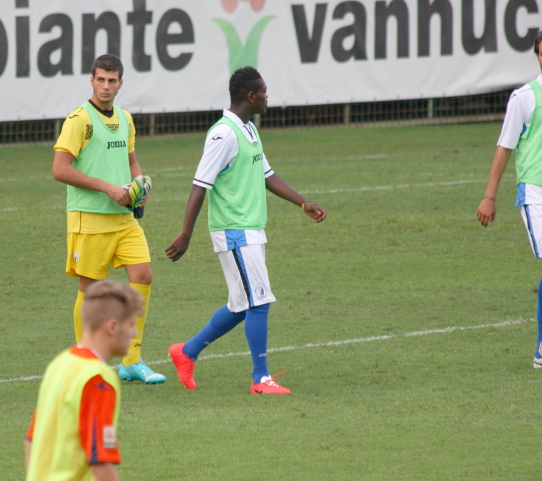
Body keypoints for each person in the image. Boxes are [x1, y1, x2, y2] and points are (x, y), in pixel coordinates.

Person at [165, 66, 327, 394]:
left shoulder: (249, 129)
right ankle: (260, 378)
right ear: (250, 96)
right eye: (264, 92)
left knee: (242, 305)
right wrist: (185, 234)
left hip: (252, 230)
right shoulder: (223, 134)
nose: (268, 97)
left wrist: (302, 203)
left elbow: (267, 175)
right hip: (234, 232)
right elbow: (199, 185)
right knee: (259, 302)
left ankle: (187, 352)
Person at [52, 54, 165, 384]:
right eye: (100, 79)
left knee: (143, 275)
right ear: (91, 81)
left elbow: (131, 162)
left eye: (111, 80)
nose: (105, 86)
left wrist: (139, 187)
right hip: (89, 219)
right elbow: (59, 170)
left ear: (120, 83)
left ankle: (132, 361)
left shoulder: (126, 119)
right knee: (91, 289)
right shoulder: (79, 119)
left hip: (124, 219)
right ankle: (85, 364)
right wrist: (108, 188)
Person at [477, 27, 542, 370]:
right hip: (537, 194)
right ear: (537, 56)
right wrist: (489, 196)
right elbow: (504, 147)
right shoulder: (524, 97)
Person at [25, 280, 143, 481]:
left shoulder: (60, 363)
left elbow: (31, 440)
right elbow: (100, 462)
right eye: (131, 325)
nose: (135, 333)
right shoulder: (97, 379)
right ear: (112, 326)